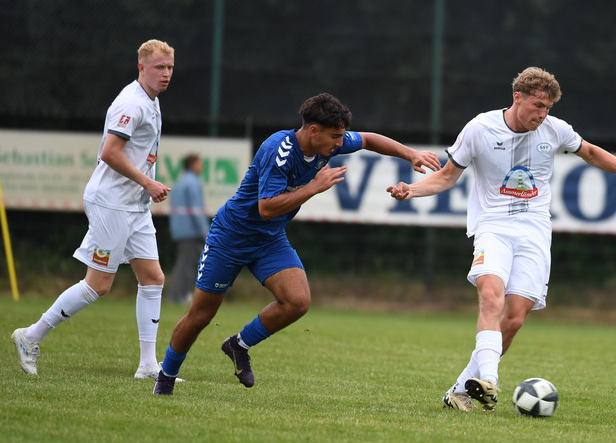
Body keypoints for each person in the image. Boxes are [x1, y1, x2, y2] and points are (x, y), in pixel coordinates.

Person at [387, 66, 616, 412]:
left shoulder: (555, 130)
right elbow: (445, 177)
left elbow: (590, 152)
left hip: (535, 230)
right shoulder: (480, 128)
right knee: (490, 296)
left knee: (513, 319)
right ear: (518, 98)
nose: (542, 115)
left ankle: (459, 391)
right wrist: (411, 190)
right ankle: (491, 381)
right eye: (537, 106)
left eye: (548, 108)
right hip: (493, 225)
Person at [153, 92, 441, 395]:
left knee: (298, 301)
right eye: (335, 137)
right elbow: (266, 207)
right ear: (313, 130)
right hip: (231, 236)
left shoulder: (330, 142)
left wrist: (410, 154)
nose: (340, 144)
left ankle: (238, 345)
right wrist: (314, 187)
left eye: (342, 136)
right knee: (201, 315)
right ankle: (166, 375)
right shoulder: (278, 150)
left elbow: (368, 139)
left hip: (269, 238)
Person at [11, 39, 176, 379]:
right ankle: (30, 336)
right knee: (99, 284)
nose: (166, 74)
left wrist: (143, 189)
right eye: (159, 67)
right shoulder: (131, 102)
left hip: (134, 205)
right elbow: (110, 153)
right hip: (111, 203)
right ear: (141, 67)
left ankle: (148, 366)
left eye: (170, 67)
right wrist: (147, 182)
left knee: (153, 278)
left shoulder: (152, 100)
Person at [165, 153, 209, 305]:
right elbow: (196, 209)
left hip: (181, 230)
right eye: (199, 163)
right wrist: (204, 231)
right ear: (192, 165)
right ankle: (179, 296)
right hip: (192, 231)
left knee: (184, 264)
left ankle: (178, 295)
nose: (201, 166)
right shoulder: (193, 182)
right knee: (188, 265)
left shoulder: (181, 181)